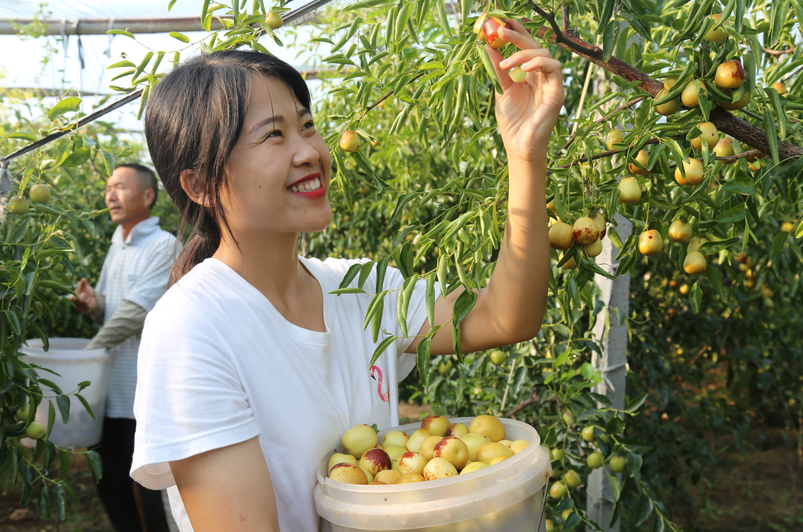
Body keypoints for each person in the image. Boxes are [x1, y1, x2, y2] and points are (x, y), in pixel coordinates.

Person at [131, 19, 564, 532]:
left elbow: (505, 316)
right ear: (202, 185)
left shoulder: (360, 289)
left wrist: (526, 155)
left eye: (307, 125)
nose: (309, 151)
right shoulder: (192, 329)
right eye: (274, 135)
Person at [71, 163, 177, 532]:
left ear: (148, 196)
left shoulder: (164, 245)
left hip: (140, 394)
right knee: (110, 484)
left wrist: (83, 358)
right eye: (108, 188)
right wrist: (92, 303)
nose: (110, 195)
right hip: (107, 392)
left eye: (120, 187)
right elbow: (111, 309)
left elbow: (134, 315)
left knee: (146, 493)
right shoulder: (117, 243)